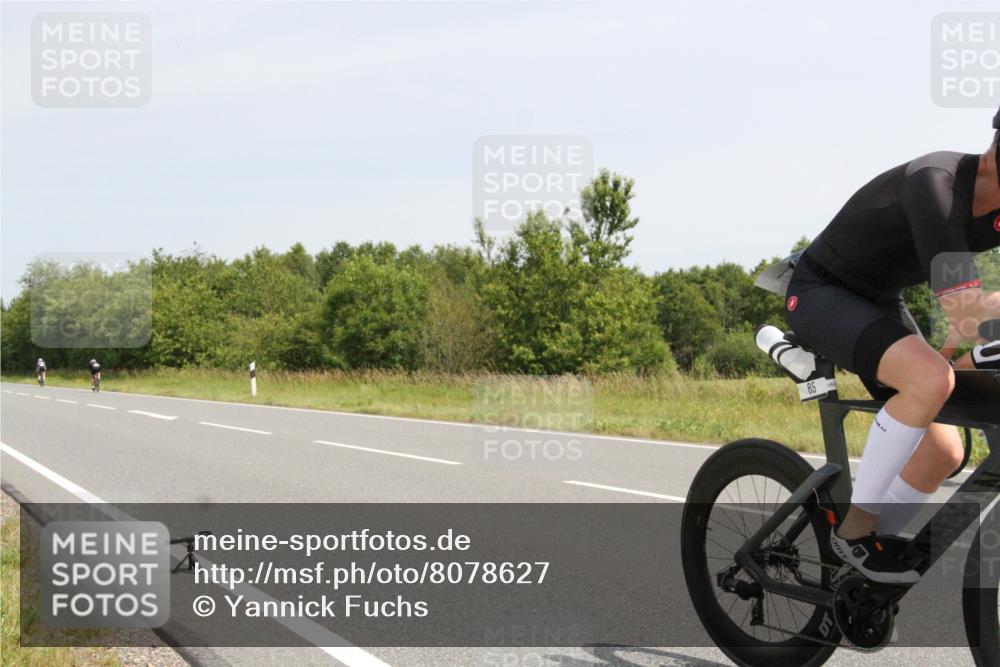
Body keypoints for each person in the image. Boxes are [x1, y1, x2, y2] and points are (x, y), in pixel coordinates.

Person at [785, 107, 1000, 584]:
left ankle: (863, 567)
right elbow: (966, 313)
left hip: (880, 301)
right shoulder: (937, 183)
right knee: (931, 380)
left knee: (944, 449)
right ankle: (854, 532)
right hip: (823, 292)